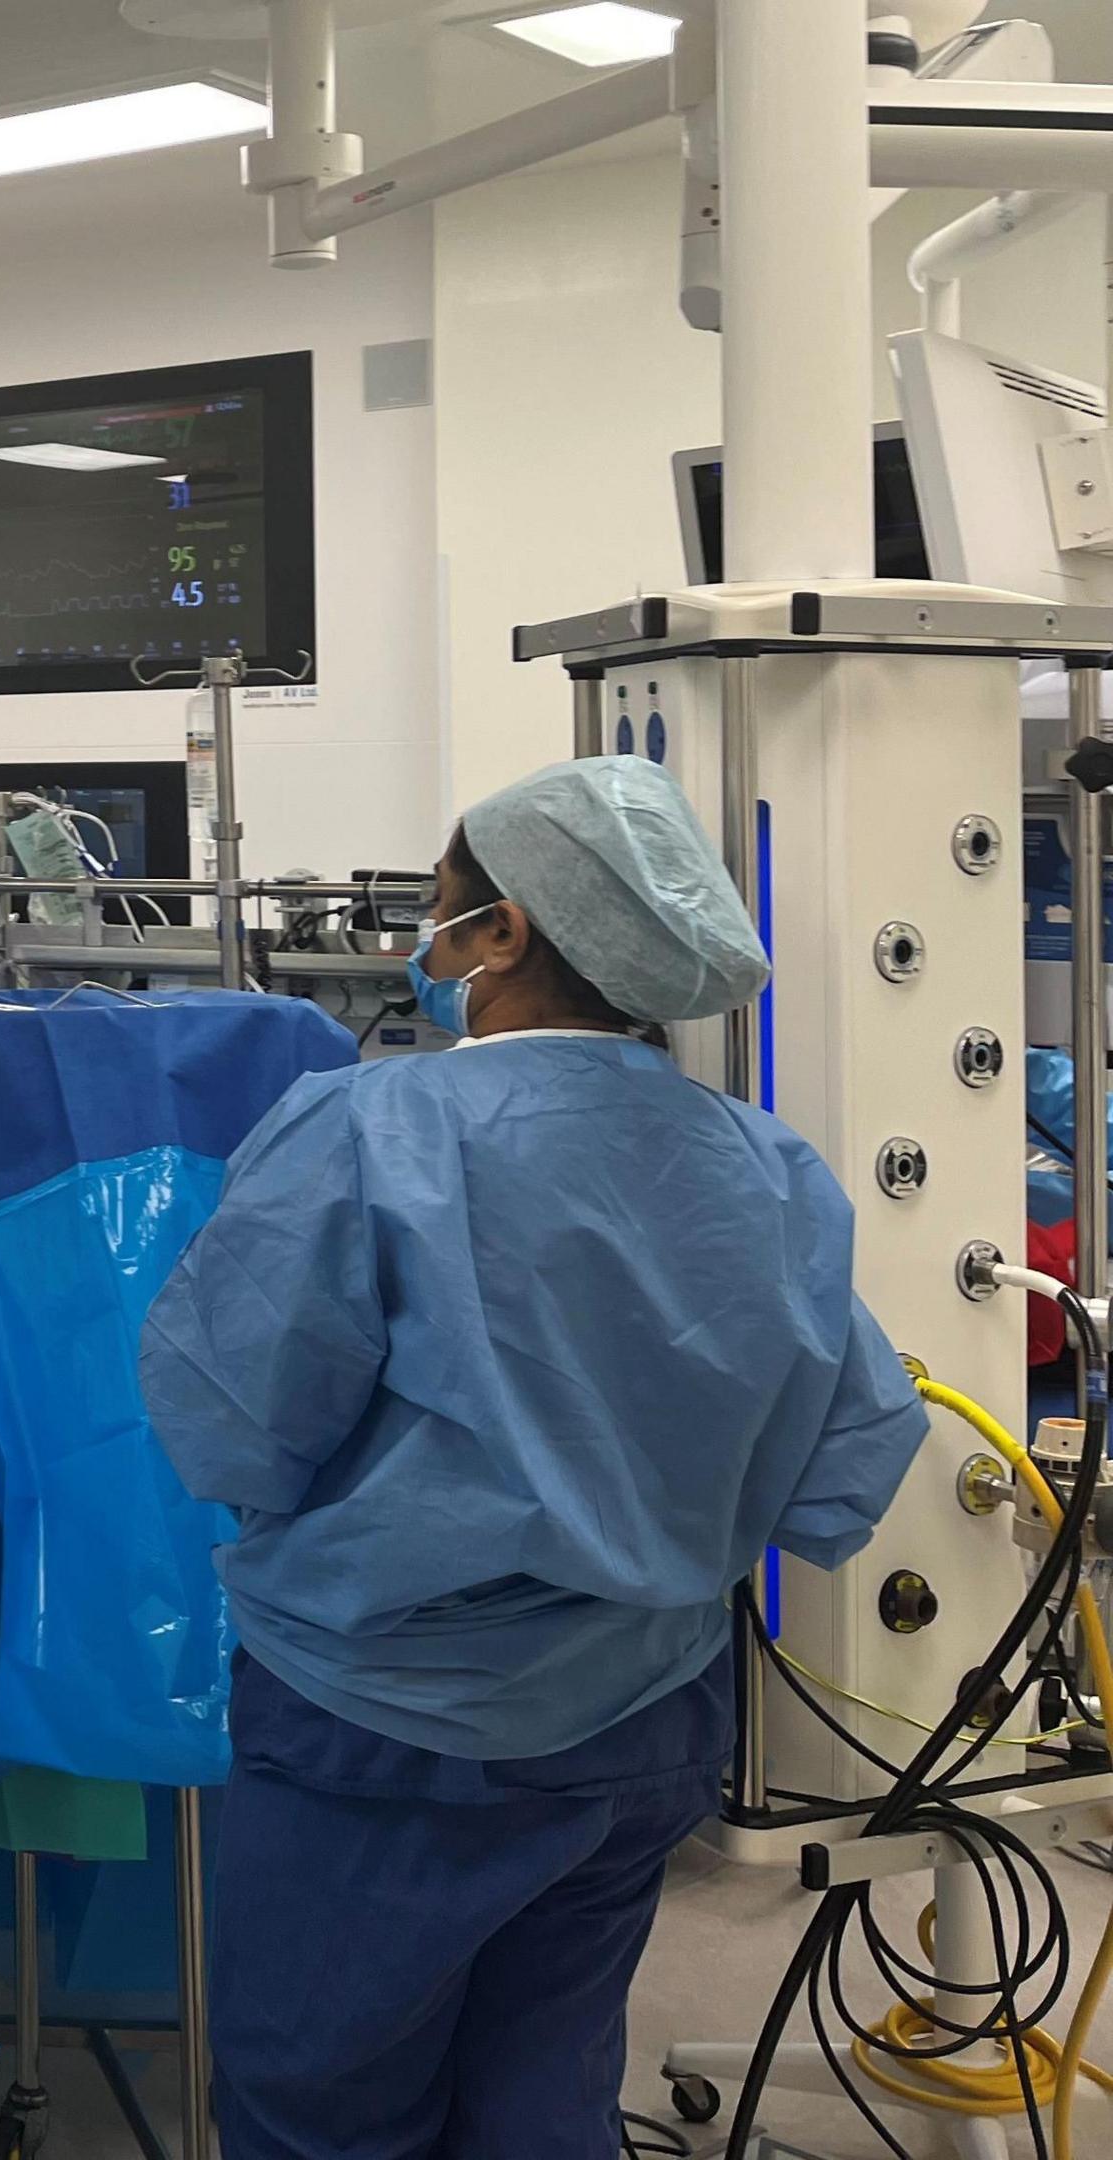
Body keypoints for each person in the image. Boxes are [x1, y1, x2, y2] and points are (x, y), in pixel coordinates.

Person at [136, 756, 923, 2157]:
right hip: (641, 1725)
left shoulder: (368, 1131)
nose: (419, 949)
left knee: (324, 2108)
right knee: (542, 2091)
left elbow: (233, 1425)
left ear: (500, 936)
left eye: (439, 915)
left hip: (385, 1733)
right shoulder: (763, 1167)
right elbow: (844, 1470)